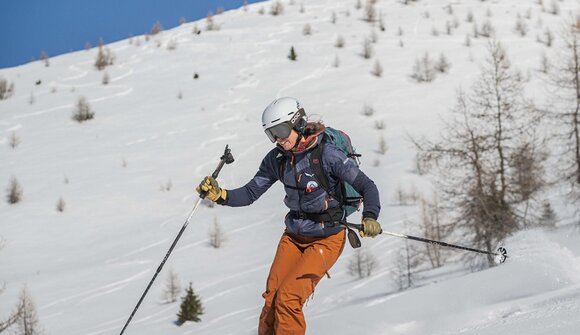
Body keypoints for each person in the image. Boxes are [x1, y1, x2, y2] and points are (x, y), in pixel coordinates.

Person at [196, 97, 382, 334]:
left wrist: (370, 216)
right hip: (294, 235)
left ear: (297, 123)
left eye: (281, 130)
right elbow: (251, 192)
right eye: (271, 134)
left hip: (326, 237)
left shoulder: (328, 155)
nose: (278, 139)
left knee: (288, 299)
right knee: (272, 299)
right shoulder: (277, 159)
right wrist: (219, 195)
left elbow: (367, 186)